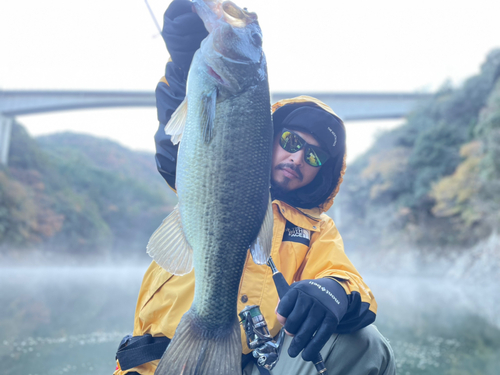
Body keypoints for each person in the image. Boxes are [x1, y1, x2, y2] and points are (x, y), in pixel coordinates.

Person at [114, 1, 395, 374]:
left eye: (314, 157)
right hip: (161, 363)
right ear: (271, 137)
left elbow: (349, 279)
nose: (298, 159)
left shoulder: (315, 230)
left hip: (254, 366)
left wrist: (334, 294)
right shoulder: (218, 164)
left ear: (323, 173)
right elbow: (178, 144)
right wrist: (184, 62)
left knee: (368, 343)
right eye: (293, 142)